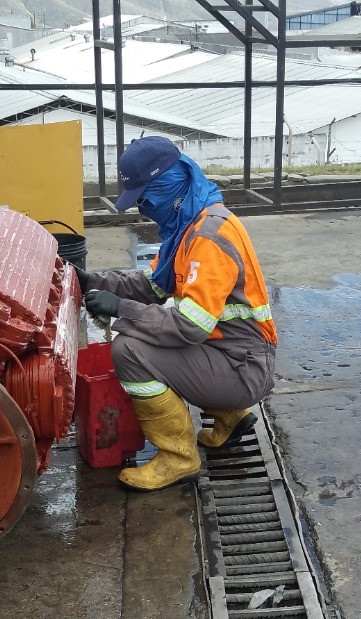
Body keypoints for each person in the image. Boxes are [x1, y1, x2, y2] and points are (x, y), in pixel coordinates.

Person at [79, 136, 277, 492]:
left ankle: (178, 457)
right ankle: (230, 417)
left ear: (169, 186)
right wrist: (91, 281)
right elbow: (151, 288)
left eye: (144, 199)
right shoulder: (187, 229)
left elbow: (188, 327)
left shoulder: (208, 238)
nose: (143, 210)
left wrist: (120, 310)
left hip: (243, 368)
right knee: (149, 333)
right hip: (232, 354)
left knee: (130, 350)